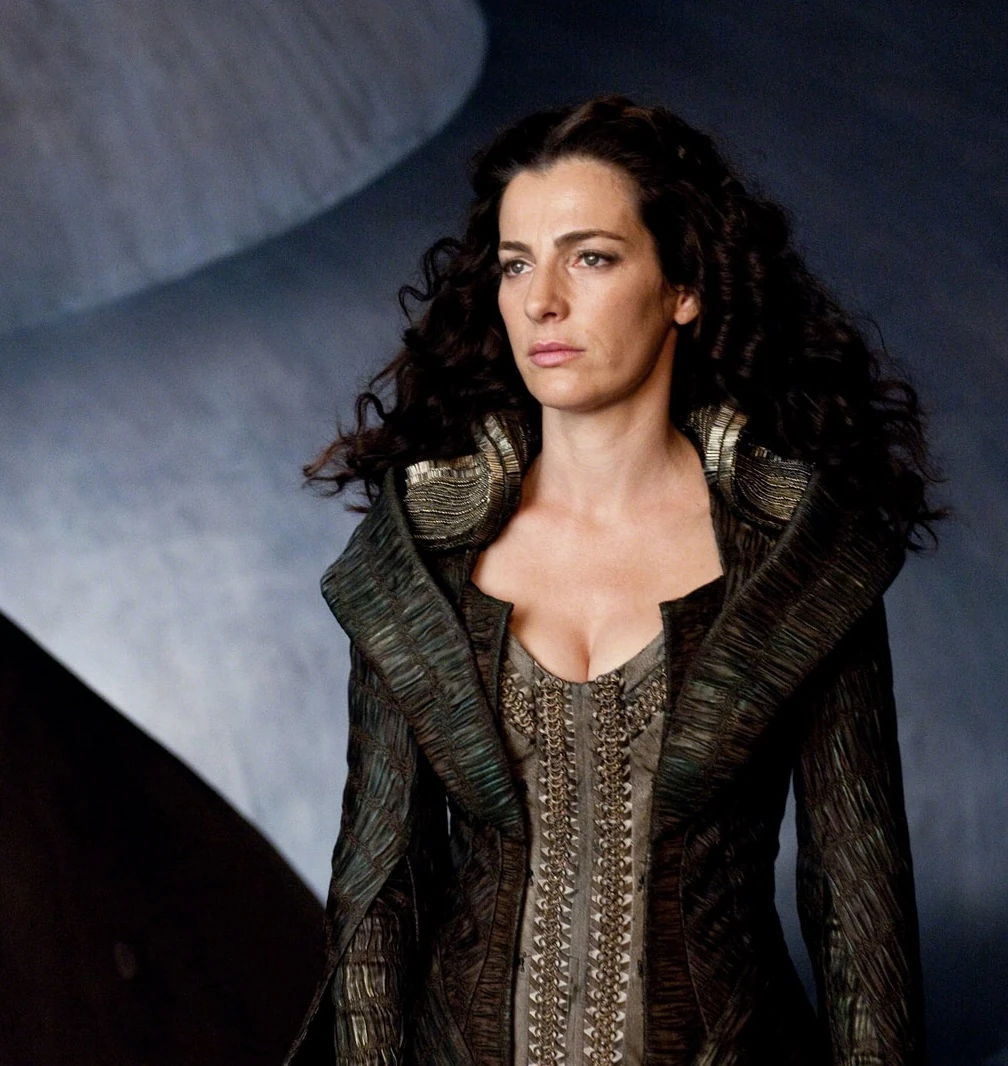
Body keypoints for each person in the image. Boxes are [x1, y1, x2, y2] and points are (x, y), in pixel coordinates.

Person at [285, 94, 943, 1066]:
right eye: (516, 264)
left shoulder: (800, 552)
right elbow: (378, 901)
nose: (541, 301)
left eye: (589, 257)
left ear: (684, 286)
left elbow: (859, 913)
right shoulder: (420, 554)